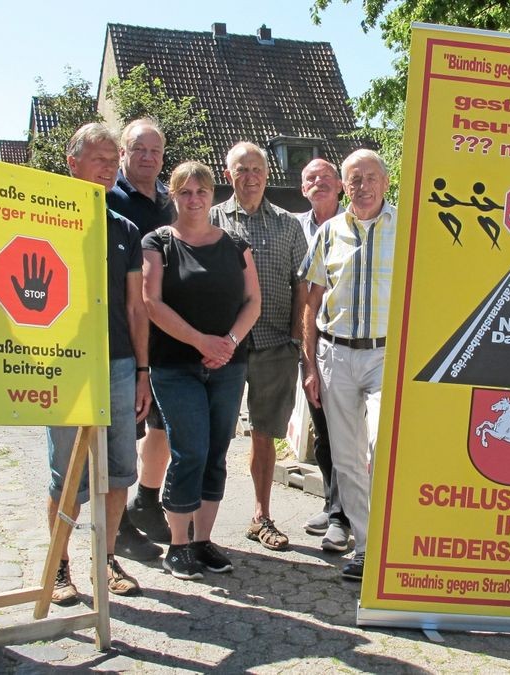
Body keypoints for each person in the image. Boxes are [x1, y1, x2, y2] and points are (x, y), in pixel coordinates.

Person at [44, 123, 152, 605]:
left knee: (118, 470)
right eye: (100, 159)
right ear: (73, 163)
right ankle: (60, 565)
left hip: (119, 363)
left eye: (114, 160)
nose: (110, 168)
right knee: (66, 472)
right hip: (62, 364)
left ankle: (105, 559)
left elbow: (136, 306)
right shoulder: (43, 218)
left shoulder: (125, 228)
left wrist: (143, 371)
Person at [143, 161, 261, 580]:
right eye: (185, 192)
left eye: (201, 192)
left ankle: (202, 540)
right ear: (173, 196)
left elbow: (253, 302)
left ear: (213, 196)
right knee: (189, 451)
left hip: (228, 365)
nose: (194, 200)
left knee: (215, 453)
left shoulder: (236, 245)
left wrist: (227, 343)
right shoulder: (158, 242)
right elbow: (152, 304)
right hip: (176, 366)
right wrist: (201, 342)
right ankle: (177, 545)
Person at [301, 149, 396, 580]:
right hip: (336, 353)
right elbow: (311, 301)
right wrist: (309, 364)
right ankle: (366, 548)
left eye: (370, 177)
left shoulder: (409, 230)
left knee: (383, 444)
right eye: (354, 179)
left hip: (386, 353)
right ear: (344, 184)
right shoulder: (329, 232)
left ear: (386, 181)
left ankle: (387, 539)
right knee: (346, 456)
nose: (363, 186)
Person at [209, 142, 307, 552]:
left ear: (268, 175)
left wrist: (297, 338)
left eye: (256, 169)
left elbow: (301, 285)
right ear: (228, 175)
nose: (249, 177)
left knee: (265, 435)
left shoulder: (288, 225)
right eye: (241, 170)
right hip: (223, 346)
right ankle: (198, 526)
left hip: (273, 345)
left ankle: (261, 515)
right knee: (213, 435)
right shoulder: (211, 218)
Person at [107, 118, 177, 558]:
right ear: (123, 155)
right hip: (128, 327)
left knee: (164, 422)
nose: (148, 157)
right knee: (126, 429)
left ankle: (147, 501)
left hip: (168, 328)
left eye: (155, 150)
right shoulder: (110, 200)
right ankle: (119, 525)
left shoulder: (171, 202)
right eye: (139, 149)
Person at [295, 158, 351, 553]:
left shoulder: (356, 226)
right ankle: (334, 505)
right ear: (303, 189)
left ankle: (344, 516)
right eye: (311, 179)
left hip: (348, 348)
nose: (320, 183)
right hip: (305, 342)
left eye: (327, 178)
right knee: (323, 433)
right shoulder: (293, 228)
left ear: (341, 187)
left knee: (349, 435)